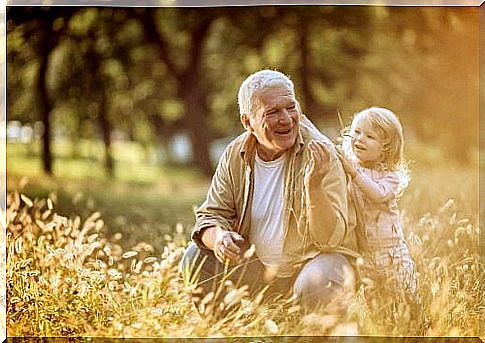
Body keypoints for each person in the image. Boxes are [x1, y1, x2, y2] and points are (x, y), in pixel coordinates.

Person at [180, 70, 358, 316]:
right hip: (256, 268)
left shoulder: (320, 153)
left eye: (290, 107)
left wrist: (314, 188)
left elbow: (330, 240)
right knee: (195, 257)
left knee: (319, 283)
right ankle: (233, 332)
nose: (286, 119)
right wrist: (219, 238)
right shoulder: (236, 153)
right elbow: (211, 215)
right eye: (273, 112)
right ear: (247, 122)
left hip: (311, 264)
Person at [331, 107, 417, 297]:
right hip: (363, 253)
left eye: (370, 136)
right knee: (376, 304)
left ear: (386, 148)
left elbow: (378, 194)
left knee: (405, 298)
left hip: (392, 252)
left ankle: (416, 324)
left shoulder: (390, 176)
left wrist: (353, 173)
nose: (360, 139)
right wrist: (305, 124)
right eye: (356, 132)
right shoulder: (349, 166)